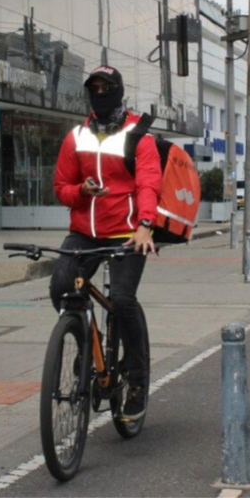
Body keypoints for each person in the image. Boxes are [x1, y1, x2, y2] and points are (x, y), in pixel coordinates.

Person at [50, 65, 162, 421]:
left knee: (123, 300)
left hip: (127, 230)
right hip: (85, 230)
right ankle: (88, 345)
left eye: (106, 87)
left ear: (118, 90)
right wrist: (80, 191)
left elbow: (148, 184)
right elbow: (61, 188)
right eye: (93, 88)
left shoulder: (137, 135)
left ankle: (138, 379)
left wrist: (145, 225)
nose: (99, 93)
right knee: (60, 287)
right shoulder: (76, 137)